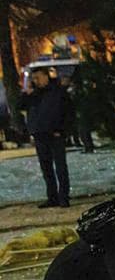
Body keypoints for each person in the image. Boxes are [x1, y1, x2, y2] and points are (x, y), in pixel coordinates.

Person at [18, 68, 72, 208]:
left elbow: (66, 111)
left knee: (60, 167)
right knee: (46, 168)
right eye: (34, 78)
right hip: (40, 134)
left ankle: (63, 197)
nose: (36, 81)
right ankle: (52, 197)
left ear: (46, 77)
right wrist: (26, 93)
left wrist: (61, 130)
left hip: (55, 134)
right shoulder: (34, 94)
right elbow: (21, 106)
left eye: (38, 77)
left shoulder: (57, 91)